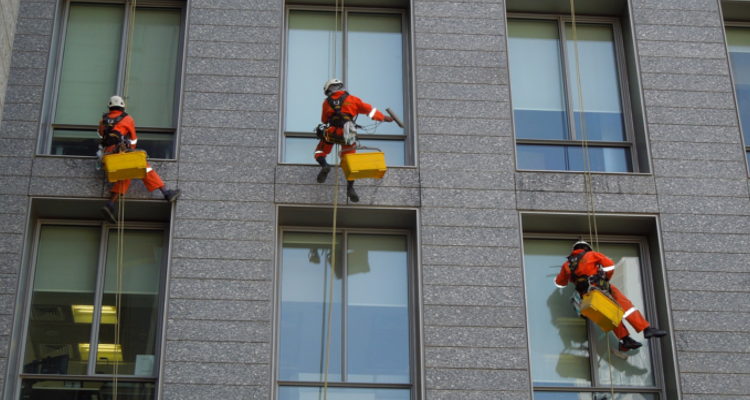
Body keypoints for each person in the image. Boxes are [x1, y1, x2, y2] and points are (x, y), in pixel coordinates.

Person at [555, 241, 667, 352]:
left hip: (586, 295)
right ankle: (646, 329)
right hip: (599, 287)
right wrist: (605, 277)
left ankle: (626, 340)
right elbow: (609, 265)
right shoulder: (592, 254)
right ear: (586, 248)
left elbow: (561, 283)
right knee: (626, 307)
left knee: (610, 314)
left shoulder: (567, 264)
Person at [99, 95, 180, 223]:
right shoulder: (127, 118)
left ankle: (110, 205)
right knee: (145, 168)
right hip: (122, 152)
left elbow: (101, 133)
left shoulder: (103, 120)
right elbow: (133, 138)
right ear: (122, 106)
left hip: (108, 156)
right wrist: (131, 148)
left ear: (110, 107)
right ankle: (166, 193)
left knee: (126, 177)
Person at [315, 79, 394, 202]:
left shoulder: (326, 103)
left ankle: (325, 165)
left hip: (332, 132)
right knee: (350, 161)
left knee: (319, 152)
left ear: (328, 90)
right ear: (341, 87)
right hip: (347, 133)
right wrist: (384, 118)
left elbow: (324, 120)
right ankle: (350, 188)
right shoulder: (353, 99)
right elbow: (370, 111)